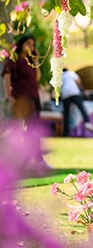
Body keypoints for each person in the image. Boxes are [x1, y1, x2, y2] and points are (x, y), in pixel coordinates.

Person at [1, 34, 51, 172]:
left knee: (33, 129)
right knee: (17, 129)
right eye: (28, 43)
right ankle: (13, 161)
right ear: (21, 44)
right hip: (21, 98)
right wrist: (9, 95)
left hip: (33, 97)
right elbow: (6, 76)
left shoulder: (30, 61)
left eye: (33, 44)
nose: (31, 46)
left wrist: (35, 62)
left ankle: (36, 160)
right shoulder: (14, 59)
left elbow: (37, 78)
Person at [61, 68, 93, 137]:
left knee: (66, 113)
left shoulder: (60, 76)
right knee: (81, 108)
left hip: (65, 94)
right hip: (74, 92)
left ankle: (65, 133)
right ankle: (87, 122)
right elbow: (78, 81)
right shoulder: (71, 73)